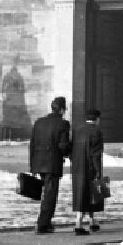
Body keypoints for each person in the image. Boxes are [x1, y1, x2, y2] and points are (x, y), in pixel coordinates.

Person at [28, 96, 72, 235]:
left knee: (45, 194)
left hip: (39, 162)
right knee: (50, 195)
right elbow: (63, 146)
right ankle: (43, 224)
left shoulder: (39, 122)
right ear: (61, 110)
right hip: (52, 164)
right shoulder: (63, 124)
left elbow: (32, 144)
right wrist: (70, 151)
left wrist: (32, 166)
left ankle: (44, 222)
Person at [70, 107, 104, 236]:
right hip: (90, 167)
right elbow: (96, 154)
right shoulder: (97, 131)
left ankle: (92, 221)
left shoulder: (77, 130)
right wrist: (97, 171)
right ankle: (78, 223)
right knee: (93, 194)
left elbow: (71, 149)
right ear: (97, 119)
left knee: (81, 194)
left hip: (78, 167)